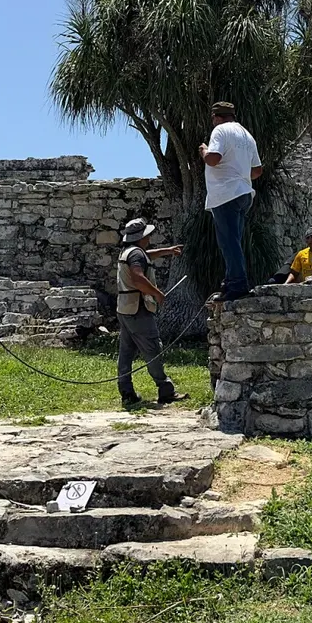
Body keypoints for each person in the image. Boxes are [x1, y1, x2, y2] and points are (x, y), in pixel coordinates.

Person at [114, 217, 189, 408]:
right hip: (138, 309)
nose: (149, 238)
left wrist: (167, 251)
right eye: (147, 235)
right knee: (152, 348)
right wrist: (157, 293)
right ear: (141, 237)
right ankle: (165, 389)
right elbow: (138, 279)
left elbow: (147, 256)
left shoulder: (129, 251)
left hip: (125, 308)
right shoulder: (136, 254)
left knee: (126, 352)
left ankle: (127, 392)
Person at [199, 100, 262, 302]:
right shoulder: (247, 135)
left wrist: (204, 151)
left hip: (226, 194)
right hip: (244, 193)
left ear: (216, 117)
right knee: (233, 241)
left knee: (228, 243)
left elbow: (213, 159)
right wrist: (239, 173)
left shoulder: (220, 131)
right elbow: (257, 171)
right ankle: (229, 283)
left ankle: (237, 285)